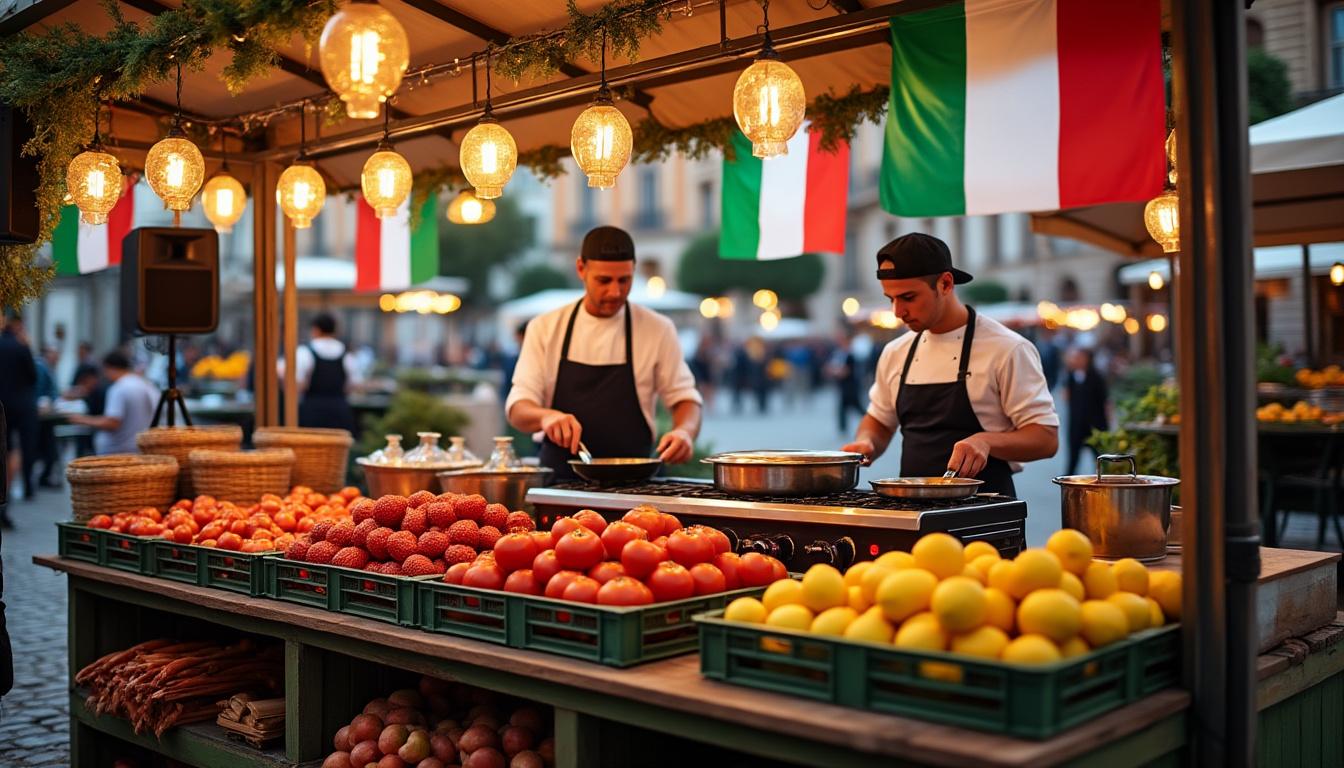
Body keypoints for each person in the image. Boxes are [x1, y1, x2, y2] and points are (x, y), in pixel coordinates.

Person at [842, 234, 1059, 495]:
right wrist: (867, 442)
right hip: (911, 508)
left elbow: (1046, 439)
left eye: (908, 297)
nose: (897, 312)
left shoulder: (1007, 348)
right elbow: (879, 419)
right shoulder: (896, 351)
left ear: (945, 283)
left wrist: (986, 441)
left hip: (985, 513)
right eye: (891, 299)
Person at [507, 226, 702, 478]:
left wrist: (684, 431)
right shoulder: (545, 327)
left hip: (636, 479)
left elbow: (685, 397)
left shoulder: (658, 329)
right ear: (581, 269)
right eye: (604, 280)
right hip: (562, 480)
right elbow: (518, 408)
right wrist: (546, 417)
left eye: (624, 280)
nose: (615, 292)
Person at [282, 313, 361, 434]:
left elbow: (298, 384)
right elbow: (354, 384)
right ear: (335, 330)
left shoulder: (305, 352)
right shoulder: (346, 353)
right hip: (339, 411)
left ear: (316, 330)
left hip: (312, 411)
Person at [68, 351, 159, 455]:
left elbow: (112, 422)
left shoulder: (119, 388)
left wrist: (82, 420)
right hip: (138, 449)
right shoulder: (145, 384)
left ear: (109, 368)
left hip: (118, 451)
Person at [0, 312, 38, 501]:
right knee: (26, 446)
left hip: (2, 404)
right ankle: (28, 485)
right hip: (23, 405)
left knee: (5, 448)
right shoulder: (21, 346)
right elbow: (33, 376)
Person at [1062, 347, 1111, 474]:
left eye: (1080, 357)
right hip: (1077, 423)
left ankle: (1103, 479)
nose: (1077, 360)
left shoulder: (1097, 377)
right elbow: (1066, 397)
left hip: (1095, 424)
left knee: (1099, 456)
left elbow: (1106, 401)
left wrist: (1108, 422)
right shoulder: (1071, 376)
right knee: (1073, 456)